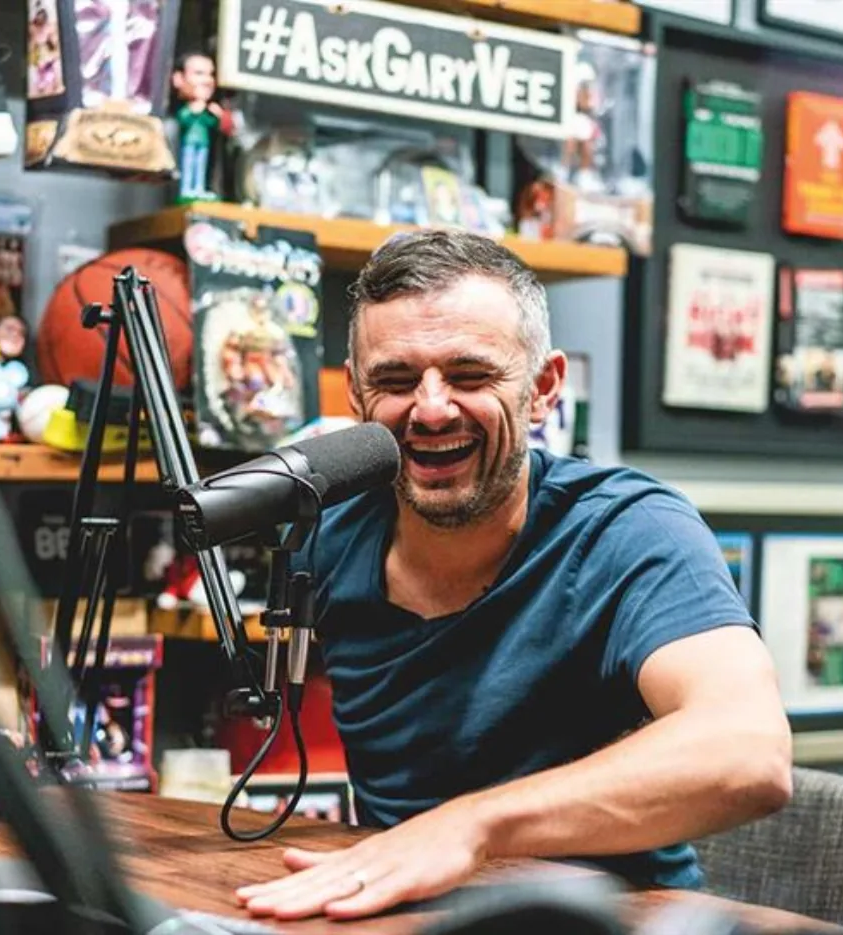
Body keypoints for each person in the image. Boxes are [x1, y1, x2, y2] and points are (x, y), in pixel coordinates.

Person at [234, 229, 792, 922]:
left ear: (543, 388)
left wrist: (471, 825)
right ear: (356, 393)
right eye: (396, 381)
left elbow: (749, 752)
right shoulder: (328, 533)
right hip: (399, 916)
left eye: (470, 376)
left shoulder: (628, 530)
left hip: (605, 922)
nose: (430, 409)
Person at [170, 51, 233, 203]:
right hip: (188, 143)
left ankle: (198, 189)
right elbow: (183, 119)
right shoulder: (174, 115)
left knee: (200, 166)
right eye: (199, 74)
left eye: (211, 74)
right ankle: (186, 188)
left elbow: (222, 126)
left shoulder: (210, 109)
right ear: (178, 79)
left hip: (203, 142)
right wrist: (194, 110)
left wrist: (218, 116)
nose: (207, 80)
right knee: (188, 165)